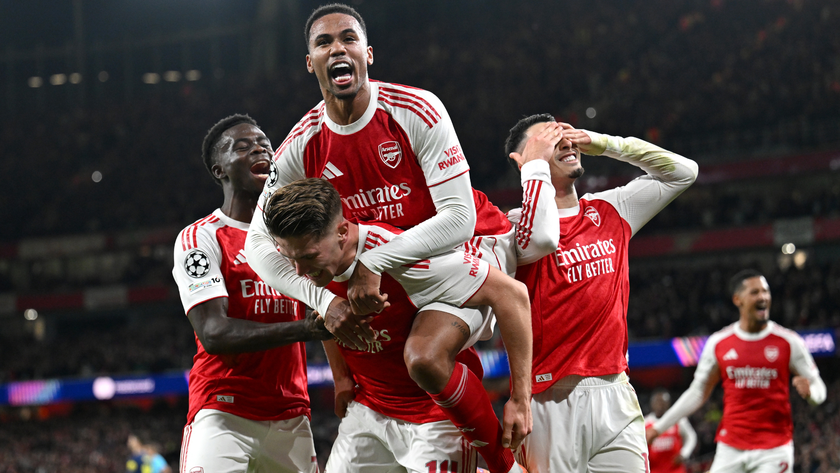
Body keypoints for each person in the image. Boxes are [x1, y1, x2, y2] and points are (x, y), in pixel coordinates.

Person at [244, 4, 560, 472]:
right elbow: (257, 246)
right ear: (310, 63)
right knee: (338, 284)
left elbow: (458, 218)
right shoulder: (300, 146)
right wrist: (323, 304)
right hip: (383, 266)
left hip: (453, 254)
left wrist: (378, 262)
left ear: (367, 53)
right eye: (324, 43)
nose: (337, 48)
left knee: (424, 356)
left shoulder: (415, 109)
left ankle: (503, 461)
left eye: (348, 39)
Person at [262, 177, 553, 472]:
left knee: (424, 359)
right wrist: (341, 377)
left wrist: (520, 398)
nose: (298, 271)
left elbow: (512, 295)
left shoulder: (404, 257)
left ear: (341, 232)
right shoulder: (306, 260)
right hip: (368, 409)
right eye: (290, 258)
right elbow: (325, 314)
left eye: (309, 257)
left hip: (433, 417)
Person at [504, 114, 699, 473]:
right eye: (548, 139)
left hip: (617, 393)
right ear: (523, 161)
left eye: (565, 134)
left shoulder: (611, 209)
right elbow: (537, 240)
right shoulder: (511, 228)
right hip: (551, 404)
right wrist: (534, 175)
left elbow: (683, 172)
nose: (563, 142)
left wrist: (607, 143)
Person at [172, 114, 332, 473]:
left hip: (291, 414)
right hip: (223, 411)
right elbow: (214, 334)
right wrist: (304, 330)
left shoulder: (294, 237)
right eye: (242, 147)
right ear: (220, 170)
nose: (259, 148)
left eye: (264, 144)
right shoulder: (201, 238)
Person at [646, 269, 827, 472]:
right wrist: (658, 428)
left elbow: (818, 385)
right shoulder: (719, 343)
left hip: (774, 448)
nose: (763, 297)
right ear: (737, 299)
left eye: (766, 291)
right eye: (755, 292)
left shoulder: (789, 342)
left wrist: (812, 395)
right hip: (730, 447)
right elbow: (697, 393)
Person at [644, 389, 697, 473]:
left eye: (662, 402)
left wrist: (684, 454)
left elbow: (691, 436)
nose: (660, 405)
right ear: (652, 404)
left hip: (675, 469)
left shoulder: (678, 420)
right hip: (654, 469)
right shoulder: (645, 423)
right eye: (657, 402)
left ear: (668, 403)